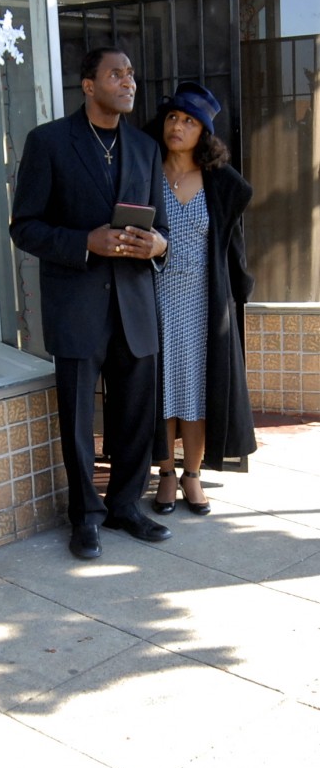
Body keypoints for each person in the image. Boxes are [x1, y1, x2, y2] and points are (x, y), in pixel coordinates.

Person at [10, 46, 171, 560]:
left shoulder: (145, 148)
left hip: (135, 306)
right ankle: (85, 517)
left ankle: (125, 506)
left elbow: (163, 228)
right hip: (77, 305)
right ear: (88, 85)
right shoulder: (49, 143)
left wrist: (157, 246)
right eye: (115, 74)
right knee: (79, 420)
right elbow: (24, 227)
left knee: (135, 416)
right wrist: (85, 242)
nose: (128, 83)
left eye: (131, 74)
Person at [146, 82, 256, 515]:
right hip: (152, 300)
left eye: (189, 121)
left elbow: (232, 246)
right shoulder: (145, 171)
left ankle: (191, 475)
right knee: (159, 391)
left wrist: (239, 293)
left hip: (202, 304)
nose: (178, 126)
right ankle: (165, 475)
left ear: (204, 133)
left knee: (194, 392)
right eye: (173, 117)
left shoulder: (219, 183)